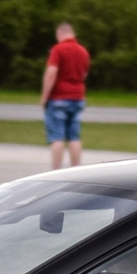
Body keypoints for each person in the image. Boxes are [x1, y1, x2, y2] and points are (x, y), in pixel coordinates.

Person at [39, 21, 90, 170]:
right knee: (74, 137)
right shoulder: (83, 51)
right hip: (78, 97)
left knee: (57, 137)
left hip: (59, 98)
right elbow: (84, 74)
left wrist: (44, 97)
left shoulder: (58, 49)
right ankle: (75, 169)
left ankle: (56, 170)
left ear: (60, 33)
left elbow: (51, 74)